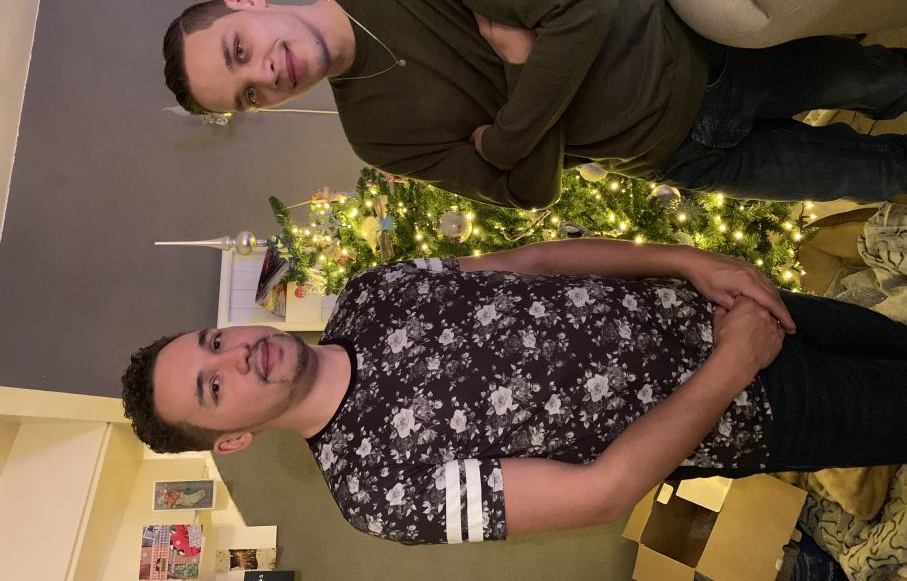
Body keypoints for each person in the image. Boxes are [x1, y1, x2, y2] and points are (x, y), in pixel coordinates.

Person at [122, 238, 907, 545]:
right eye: (213, 387)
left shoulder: (370, 293)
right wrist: (732, 367)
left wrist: (687, 262)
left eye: (214, 341)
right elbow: (600, 492)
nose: (237, 356)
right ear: (231, 440)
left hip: (728, 307)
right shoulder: (375, 491)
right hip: (759, 408)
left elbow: (532, 262)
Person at [163, 0, 907, 208]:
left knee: (885, 81)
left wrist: (508, 136)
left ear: (245, 0)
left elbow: (580, 8)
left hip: (701, 58)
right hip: (674, 158)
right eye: (248, 96)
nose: (265, 76)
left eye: (239, 50)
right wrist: (521, 64)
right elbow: (528, 193)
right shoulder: (373, 136)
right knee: (881, 176)